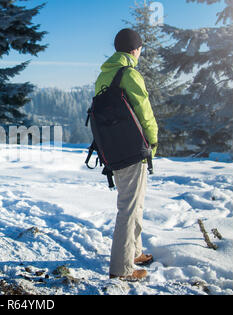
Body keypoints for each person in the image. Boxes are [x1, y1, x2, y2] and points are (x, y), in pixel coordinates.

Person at [95, 28, 159, 281]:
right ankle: (121, 269)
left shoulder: (104, 75)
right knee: (129, 207)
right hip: (133, 148)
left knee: (134, 202)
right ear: (135, 49)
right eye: (140, 49)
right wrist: (153, 140)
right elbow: (144, 110)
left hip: (114, 148)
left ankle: (134, 251)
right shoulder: (130, 73)